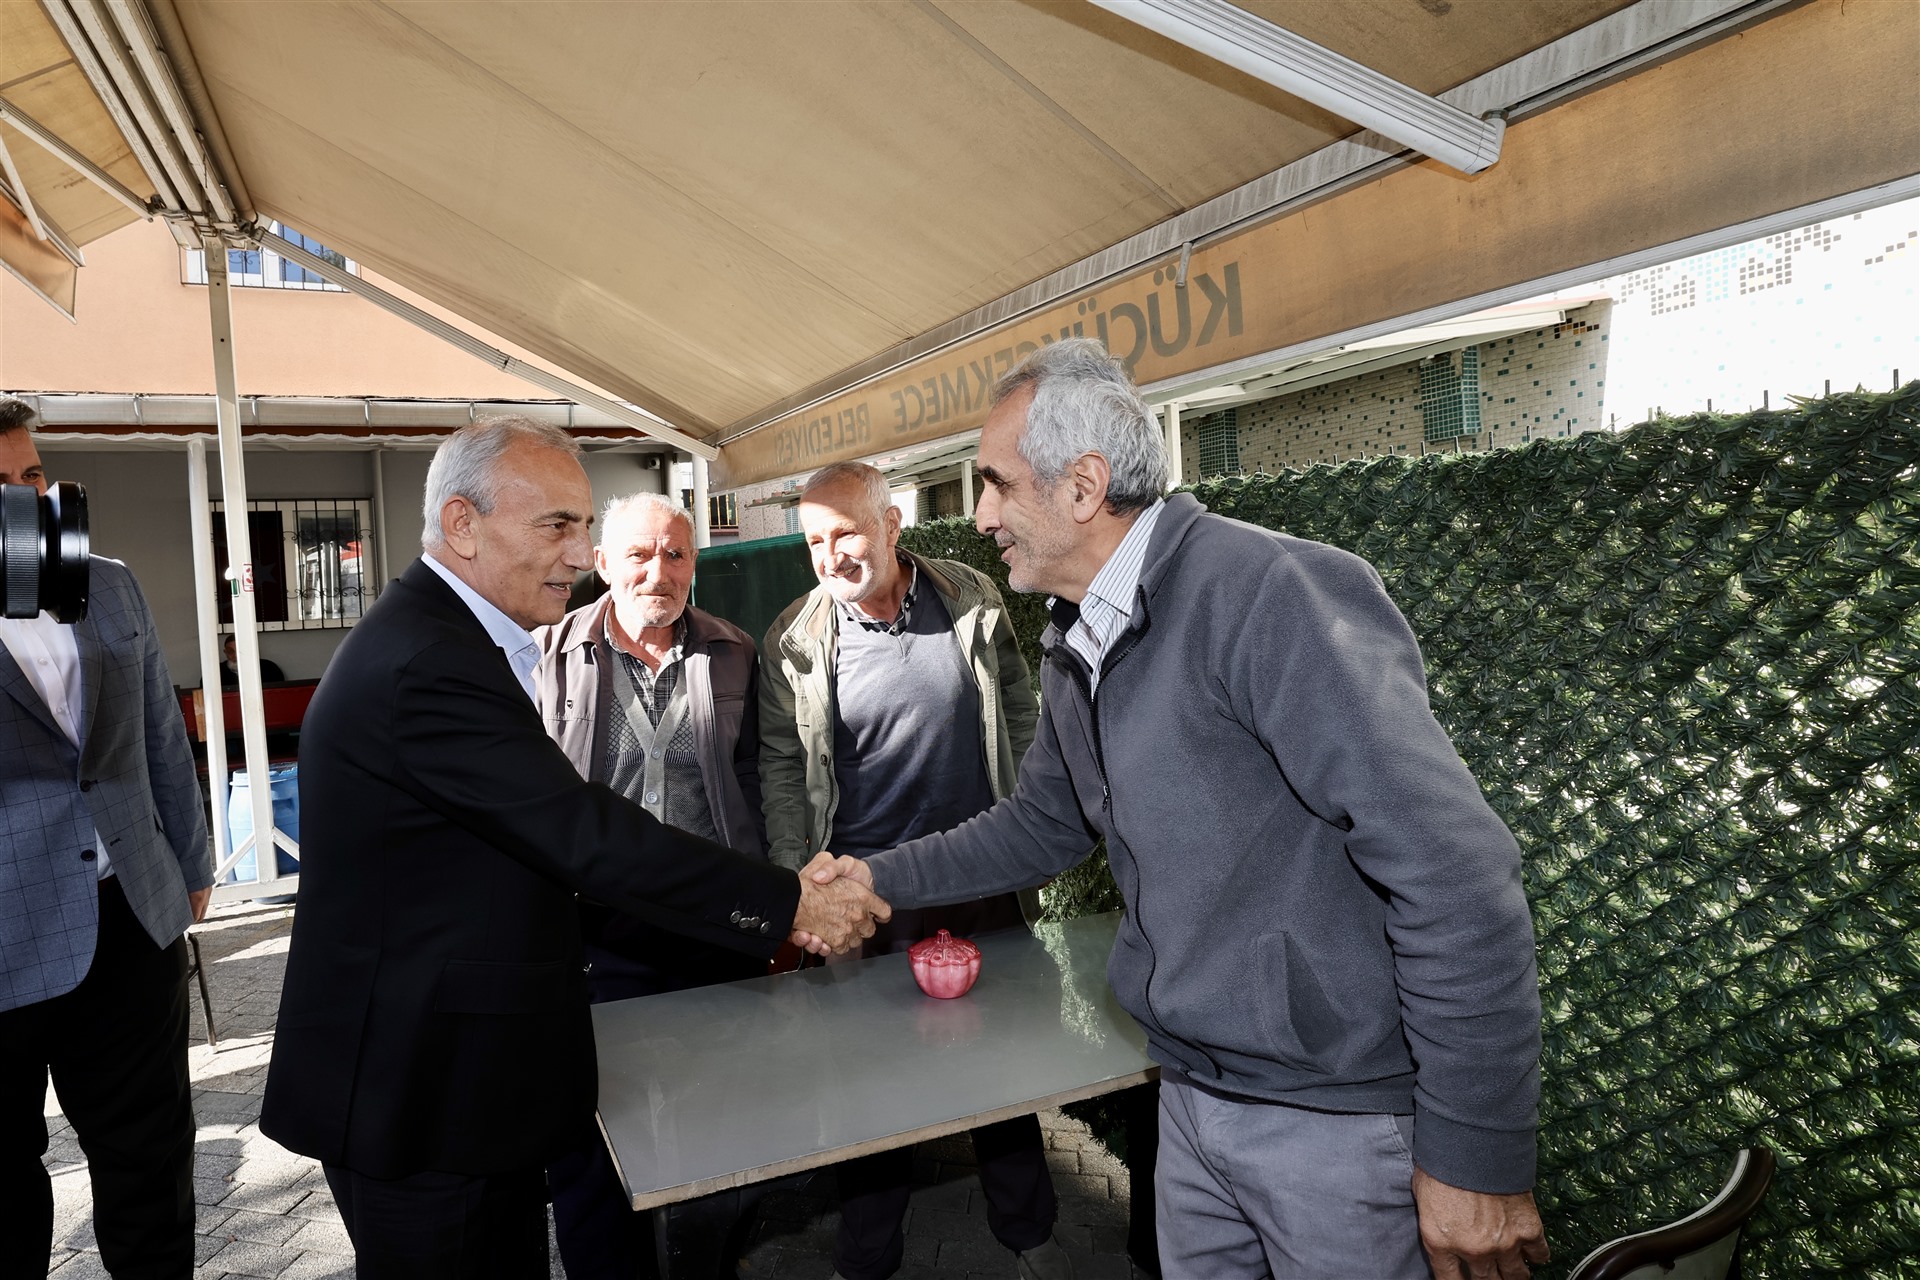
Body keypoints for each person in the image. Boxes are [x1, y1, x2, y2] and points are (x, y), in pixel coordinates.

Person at [801, 340, 1551, 1280]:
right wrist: (872, 877)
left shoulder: (1267, 594)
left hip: (1338, 1120)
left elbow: (1455, 873)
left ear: (1084, 486)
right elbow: (1041, 824)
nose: (981, 515)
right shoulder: (1079, 635)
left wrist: (1476, 1154)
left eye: (995, 484)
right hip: (1191, 1095)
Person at [259, 417, 888, 1279]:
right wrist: (791, 902)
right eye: (557, 525)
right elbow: (583, 832)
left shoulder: (449, 639)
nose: (578, 553)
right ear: (462, 525)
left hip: (459, 1084)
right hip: (421, 1099)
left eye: (583, 526)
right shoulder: (428, 661)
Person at [760, 461, 1071, 1280]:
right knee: (871, 1087)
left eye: (845, 534)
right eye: (814, 542)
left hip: (980, 880)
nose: (830, 555)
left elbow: (1018, 707)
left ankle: (1030, 1236)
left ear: (892, 525)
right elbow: (783, 768)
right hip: (868, 901)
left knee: (1005, 1070)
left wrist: (1033, 820)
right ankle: (867, 1260)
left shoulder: (970, 595)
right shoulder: (793, 637)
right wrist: (800, 885)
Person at [0, 394, 213, 1279]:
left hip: (129, 905)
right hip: (4, 931)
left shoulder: (109, 580)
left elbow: (161, 729)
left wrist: (192, 863)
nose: (26, 499)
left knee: (151, 1157)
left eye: (33, 475)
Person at [533, 491, 769, 1279]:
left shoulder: (734, 651)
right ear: (603, 562)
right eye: (638, 554)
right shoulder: (548, 653)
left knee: (722, 1123)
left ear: (694, 562)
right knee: (596, 1136)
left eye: (675, 554)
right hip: (598, 935)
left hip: (712, 931)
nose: (658, 572)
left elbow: (756, 782)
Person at [219, 632, 286, 687]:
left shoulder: (269, 668)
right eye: (230, 651)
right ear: (225, 652)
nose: (236, 655)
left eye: (240, 651)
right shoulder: (219, 671)